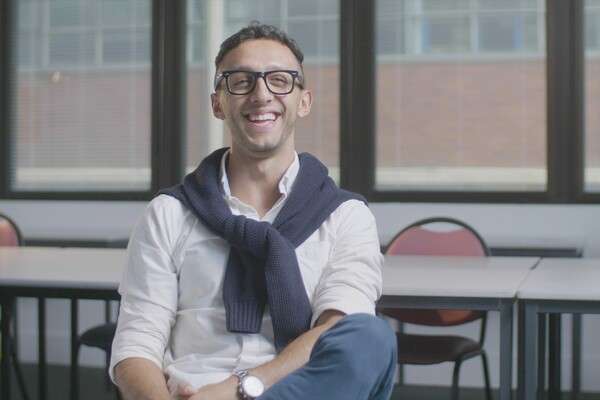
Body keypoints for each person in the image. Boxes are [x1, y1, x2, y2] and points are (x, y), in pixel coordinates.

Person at [110, 22, 397, 400]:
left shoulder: (345, 216)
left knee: (369, 336)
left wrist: (239, 389)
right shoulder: (169, 214)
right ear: (218, 102)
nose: (262, 94)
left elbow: (339, 330)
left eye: (280, 80)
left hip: (297, 391)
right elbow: (136, 345)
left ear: (304, 101)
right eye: (241, 81)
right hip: (191, 391)